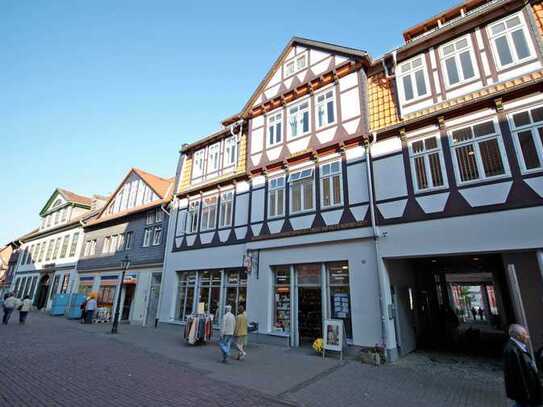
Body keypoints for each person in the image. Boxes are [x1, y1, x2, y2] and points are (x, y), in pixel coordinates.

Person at [504, 324, 542, 407]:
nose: (527, 337)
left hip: (529, 391)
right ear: (518, 336)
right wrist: (527, 394)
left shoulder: (519, 346)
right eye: (525, 334)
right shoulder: (512, 350)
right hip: (525, 393)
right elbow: (518, 376)